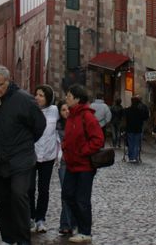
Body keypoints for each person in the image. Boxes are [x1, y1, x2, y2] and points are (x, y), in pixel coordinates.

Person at [0, 65, 45, 245]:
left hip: (21, 159)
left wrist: (24, 144)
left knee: (19, 195)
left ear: (8, 82)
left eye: (0, 84)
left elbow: (39, 125)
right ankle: (8, 238)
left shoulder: (24, 100)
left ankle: (23, 240)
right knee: (3, 202)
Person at [61, 84, 104, 243]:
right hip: (72, 164)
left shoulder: (87, 116)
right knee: (67, 194)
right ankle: (80, 225)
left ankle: (85, 232)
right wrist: (65, 147)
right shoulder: (71, 116)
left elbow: (98, 140)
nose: (66, 98)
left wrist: (82, 151)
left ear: (77, 99)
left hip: (85, 166)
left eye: (69, 96)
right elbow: (69, 137)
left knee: (82, 199)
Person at [29, 85, 58, 234]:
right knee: (29, 188)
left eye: (41, 95)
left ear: (48, 98)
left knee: (43, 189)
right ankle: (30, 216)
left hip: (48, 155)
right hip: (32, 154)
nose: (38, 98)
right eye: (37, 94)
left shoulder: (54, 111)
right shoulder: (30, 110)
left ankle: (41, 219)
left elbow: (59, 129)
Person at [55, 101, 76, 237]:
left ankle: (66, 224)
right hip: (63, 163)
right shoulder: (57, 127)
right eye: (63, 110)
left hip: (76, 162)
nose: (66, 112)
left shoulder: (77, 123)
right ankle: (69, 224)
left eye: (68, 109)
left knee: (73, 194)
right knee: (66, 193)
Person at [124, 95, 149, 163]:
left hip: (130, 128)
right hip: (138, 128)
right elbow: (145, 117)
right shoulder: (140, 111)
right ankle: (135, 157)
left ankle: (131, 157)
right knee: (136, 143)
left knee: (130, 143)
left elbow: (125, 119)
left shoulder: (127, 110)